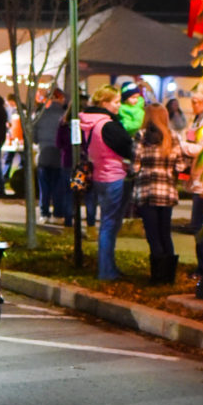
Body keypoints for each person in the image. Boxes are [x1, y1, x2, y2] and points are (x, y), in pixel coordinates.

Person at [79, 85, 133, 280]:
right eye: (116, 102)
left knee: (107, 224)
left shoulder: (89, 123)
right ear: (104, 103)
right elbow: (127, 146)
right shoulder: (108, 125)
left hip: (100, 174)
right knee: (110, 224)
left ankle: (108, 267)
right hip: (114, 176)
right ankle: (106, 270)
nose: (119, 106)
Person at [132, 104, 187, 283]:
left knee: (152, 233)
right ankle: (169, 276)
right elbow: (180, 165)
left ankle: (157, 275)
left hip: (147, 191)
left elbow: (135, 165)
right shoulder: (173, 137)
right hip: (167, 191)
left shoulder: (141, 136)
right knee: (165, 232)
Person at [33, 88, 70, 225]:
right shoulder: (64, 116)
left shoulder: (40, 115)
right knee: (58, 186)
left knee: (44, 186)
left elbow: (34, 138)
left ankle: (44, 213)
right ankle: (57, 213)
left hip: (44, 154)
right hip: (59, 155)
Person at [183, 89, 203, 233]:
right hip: (198, 173)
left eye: (195, 102)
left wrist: (182, 145)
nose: (192, 106)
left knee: (200, 216)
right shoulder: (198, 118)